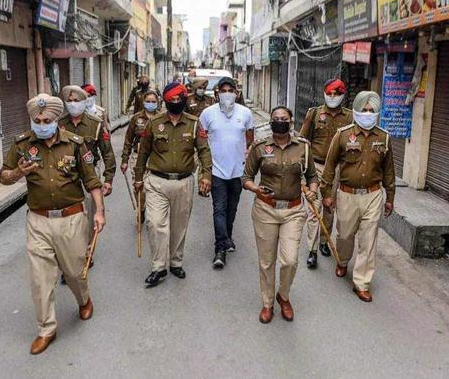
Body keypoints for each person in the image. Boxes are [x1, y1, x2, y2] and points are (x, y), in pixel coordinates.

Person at [0, 94, 105, 355]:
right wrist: (19, 172)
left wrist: (100, 212)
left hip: (71, 219)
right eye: (37, 120)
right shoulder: (22, 144)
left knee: (74, 272)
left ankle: (84, 299)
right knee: (40, 277)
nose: (41, 124)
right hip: (38, 220)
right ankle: (46, 328)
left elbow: (91, 181)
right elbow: (3, 176)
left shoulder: (75, 144)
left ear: (57, 119)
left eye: (47, 120)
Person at [242, 106, 318, 324]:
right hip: (265, 210)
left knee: (290, 261)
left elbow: (312, 176)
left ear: (291, 122)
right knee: (266, 261)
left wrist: (312, 191)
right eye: (276, 118)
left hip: (293, 211)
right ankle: (267, 303)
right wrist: (255, 189)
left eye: (284, 119)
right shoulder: (260, 147)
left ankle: (283, 296)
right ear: (270, 122)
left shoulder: (303, 147)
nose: (279, 122)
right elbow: (246, 177)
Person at [134, 81, 212, 287]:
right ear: (166, 101)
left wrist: (206, 175)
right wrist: (138, 177)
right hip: (156, 181)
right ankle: (158, 267)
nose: (176, 102)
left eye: (179, 99)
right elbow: (143, 151)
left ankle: (176, 262)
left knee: (179, 225)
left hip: (183, 182)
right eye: (172, 99)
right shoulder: (154, 123)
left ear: (184, 99)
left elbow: (204, 151)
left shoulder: (194, 123)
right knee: (155, 223)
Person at [321, 91, 395, 303]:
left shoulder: (384, 137)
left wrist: (390, 197)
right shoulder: (343, 135)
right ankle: (343, 260)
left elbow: (389, 170)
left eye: (372, 110)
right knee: (345, 235)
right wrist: (326, 194)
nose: (368, 114)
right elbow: (329, 166)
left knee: (368, 240)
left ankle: (362, 282)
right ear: (356, 110)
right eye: (365, 110)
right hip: (347, 194)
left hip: (373, 194)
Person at [57, 85, 116, 283]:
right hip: (65, 174)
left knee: (89, 216)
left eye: (77, 100)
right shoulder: (59, 124)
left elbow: (107, 153)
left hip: (90, 173)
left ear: (84, 102)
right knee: (69, 217)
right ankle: (70, 260)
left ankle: (86, 254)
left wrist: (108, 179)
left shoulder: (96, 124)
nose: (73, 104)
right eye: (69, 101)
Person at [199, 76, 254, 269]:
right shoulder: (207, 114)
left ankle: (227, 236)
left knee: (232, 208)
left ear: (237, 93)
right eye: (223, 91)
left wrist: (243, 155)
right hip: (216, 171)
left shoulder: (245, 113)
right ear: (217, 94)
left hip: (238, 171)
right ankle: (220, 248)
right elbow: (201, 142)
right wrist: (204, 172)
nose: (227, 94)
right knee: (219, 209)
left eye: (231, 91)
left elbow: (250, 137)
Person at [299, 79, 352, 269]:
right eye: (329, 93)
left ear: (343, 95)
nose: (332, 97)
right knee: (314, 209)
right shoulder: (314, 114)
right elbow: (303, 141)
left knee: (329, 209)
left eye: (336, 94)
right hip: (317, 167)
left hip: (337, 170)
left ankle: (323, 241)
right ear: (324, 93)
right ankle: (312, 250)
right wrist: (302, 170)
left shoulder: (350, 117)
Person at [120, 90, 162, 220]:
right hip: (138, 157)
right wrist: (125, 160)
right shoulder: (136, 118)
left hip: (155, 157)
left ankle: (153, 210)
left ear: (158, 102)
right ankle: (141, 208)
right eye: (148, 101)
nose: (151, 104)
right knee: (139, 186)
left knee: (155, 186)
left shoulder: (161, 118)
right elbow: (128, 140)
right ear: (143, 102)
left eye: (153, 101)